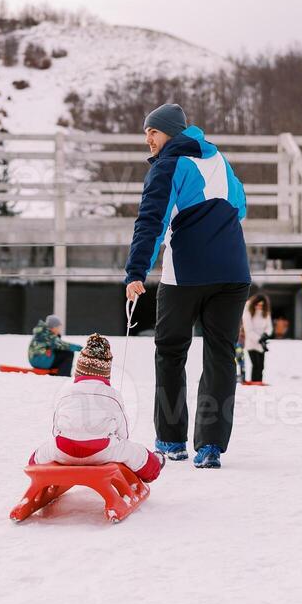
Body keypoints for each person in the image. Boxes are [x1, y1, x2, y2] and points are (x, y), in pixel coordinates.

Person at [124, 103, 250, 470]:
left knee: (170, 351)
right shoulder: (219, 159)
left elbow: (151, 220)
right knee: (220, 356)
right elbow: (239, 206)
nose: (148, 138)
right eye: (146, 132)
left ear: (173, 133)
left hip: (186, 276)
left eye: (154, 131)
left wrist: (135, 271)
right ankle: (210, 447)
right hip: (233, 273)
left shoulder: (168, 165)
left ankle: (171, 439)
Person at [29, 334, 164, 482]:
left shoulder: (66, 393)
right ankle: (153, 466)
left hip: (64, 448)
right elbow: (123, 432)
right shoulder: (112, 395)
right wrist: (118, 443)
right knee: (136, 453)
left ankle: (36, 471)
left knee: (41, 453)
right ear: (106, 372)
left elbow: (56, 429)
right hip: (101, 451)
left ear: (79, 369)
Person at [243, 294, 272, 384]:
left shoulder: (265, 313)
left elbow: (269, 327)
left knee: (261, 366)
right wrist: (259, 339)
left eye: (261, 305)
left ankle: (258, 382)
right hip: (251, 343)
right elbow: (248, 330)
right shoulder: (247, 312)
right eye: (257, 305)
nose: (259, 307)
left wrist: (265, 335)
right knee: (256, 365)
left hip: (261, 344)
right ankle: (254, 383)